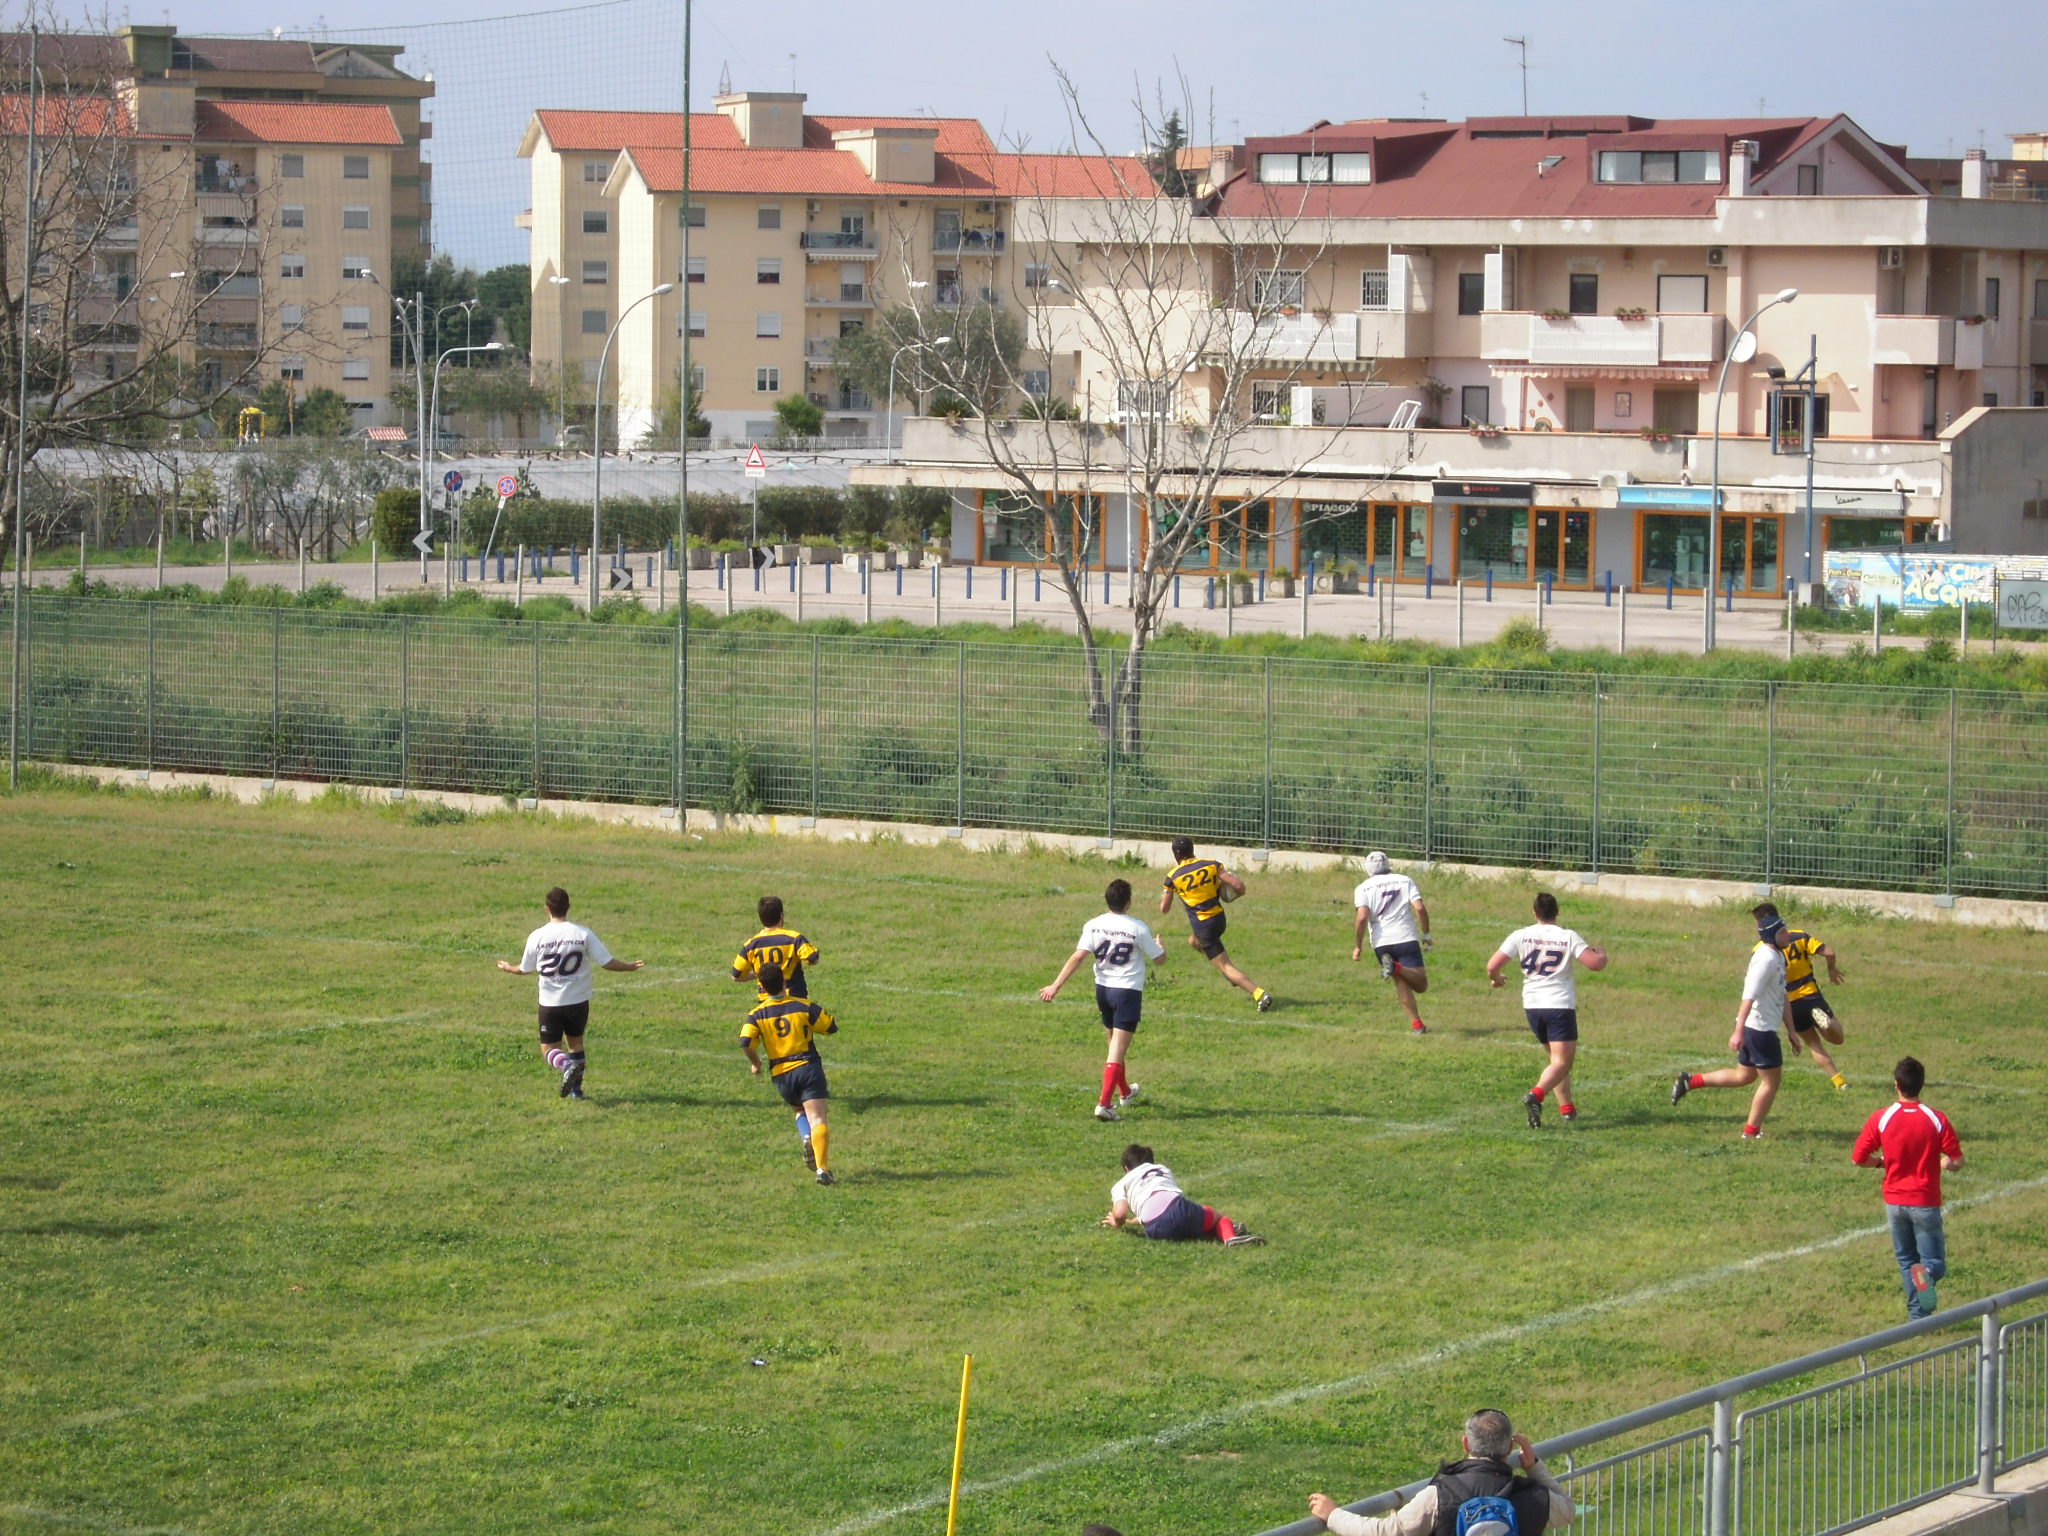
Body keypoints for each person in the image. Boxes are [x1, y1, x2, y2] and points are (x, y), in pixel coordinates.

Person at [1307, 1407, 1575, 1534]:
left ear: (1466, 1443)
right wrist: (1535, 1468)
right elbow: (1567, 1511)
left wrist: (1333, 1515)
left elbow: (1384, 1533)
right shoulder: (1534, 1498)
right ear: (1509, 1449)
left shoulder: (1439, 1496)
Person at [495, 886, 644, 1100]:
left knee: (548, 1049)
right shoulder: (582, 933)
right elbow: (606, 962)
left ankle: (565, 1066)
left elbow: (525, 969)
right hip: (578, 1001)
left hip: (550, 1003)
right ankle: (577, 1090)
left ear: (547, 909)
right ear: (568, 907)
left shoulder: (537, 936)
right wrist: (628, 966)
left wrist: (508, 967)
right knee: (576, 1044)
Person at [1041, 878, 1167, 1122]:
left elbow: (1078, 956)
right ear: (1128, 902)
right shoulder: (1137, 928)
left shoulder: (1094, 925)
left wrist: (1055, 985)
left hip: (1103, 991)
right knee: (1117, 1050)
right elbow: (1159, 960)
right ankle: (1104, 1105)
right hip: (1127, 992)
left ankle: (1126, 1092)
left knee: (1114, 1047)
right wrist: (1159, 946)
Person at [1853, 1056, 1964, 1319]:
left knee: (1907, 1261)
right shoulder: (1935, 1119)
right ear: (1921, 1085)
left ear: (1896, 1085)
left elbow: (1859, 1157)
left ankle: (1917, 1319)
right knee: (1933, 1262)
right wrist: (1945, 1164)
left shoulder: (1883, 1117)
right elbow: (1957, 1160)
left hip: (1894, 1201)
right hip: (1925, 1200)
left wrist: (1881, 1163)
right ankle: (1925, 1280)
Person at [1485, 892, 1608, 1127]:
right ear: (1557, 912)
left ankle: (1567, 1108)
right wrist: (1601, 954)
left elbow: (1492, 965)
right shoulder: (1567, 936)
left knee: (1555, 1061)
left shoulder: (1520, 935)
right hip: (1558, 1005)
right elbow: (1595, 965)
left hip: (1532, 1006)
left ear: (1534, 913)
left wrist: (1496, 978)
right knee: (1562, 1063)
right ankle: (1536, 1095)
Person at [1670, 906, 1790, 1140]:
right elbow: (1748, 997)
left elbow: (1782, 995)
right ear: (1773, 935)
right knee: (1771, 1083)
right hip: (1759, 1030)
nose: (1789, 935)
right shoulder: (1764, 960)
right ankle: (1751, 1131)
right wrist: (1738, 1031)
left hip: (1759, 1028)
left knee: (1743, 1076)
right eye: (1784, 932)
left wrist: (1792, 1031)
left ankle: (1689, 1082)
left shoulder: (1778, 955)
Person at [741, 961, 840, 1185]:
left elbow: (746, 1041)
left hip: (782, 1076)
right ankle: (822, 1169)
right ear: (785, 981)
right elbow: (830, 1026)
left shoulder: (756, 1014)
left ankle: (806, 1135)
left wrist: (756, 1062)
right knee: (819, 1117)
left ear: (762, 987)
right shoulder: (803, 1005)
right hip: (807, 1067)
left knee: (799, 1109)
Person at [1159, 835, 1272, 1012]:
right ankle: (1231, 975)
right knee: (1194, 942)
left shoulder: (1173, 876)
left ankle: (1259, 994)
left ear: (1176, 855)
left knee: (1226, 966)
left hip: (1204, 926)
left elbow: (1164, 909)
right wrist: (1234, 893)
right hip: (1219, 919)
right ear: (1192, 850)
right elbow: (1238, 886)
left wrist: (1169, 891)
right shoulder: (1212, 864)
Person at [1753, 901, 1850, 1091]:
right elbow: (1829, 952)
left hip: (1790, 1002)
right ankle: (1827, 1023)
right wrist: (1832, 969)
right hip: (1811, 994)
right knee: (1838, 1038)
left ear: (1760, 925)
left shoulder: (1761, 949)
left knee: (1814, 1044)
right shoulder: (1798, 935)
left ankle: (1838, 1080)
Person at [1102, 1143, 1263, 1246]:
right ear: (1152, 1162)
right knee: (1216, 1217)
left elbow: (1121, 1212)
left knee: (1176, 1224)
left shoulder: (1121, 1183)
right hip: (1180, 1210)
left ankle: (1225, 1234)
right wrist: (1130, 1221)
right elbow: (1163, 1201)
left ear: (1126, 1168)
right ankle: (1230, 1237)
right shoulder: (1162, 1169)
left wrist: (1118, 1222)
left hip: (1156, 1228)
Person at [1352, 850, 1432, 1035]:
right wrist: (1426, 934)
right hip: (1405, 937)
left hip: (1381, 943)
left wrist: (1358, 946)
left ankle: (1417, 1026)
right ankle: (1395, 967)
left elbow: (1362, 917)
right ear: (1388, 864)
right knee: (1421, 985)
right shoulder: (1405, 880)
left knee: (1400, 981)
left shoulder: (1362, 888)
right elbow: (1419, 908)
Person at [731, 895, 820, 1001]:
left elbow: (736, 975)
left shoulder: (751, 945)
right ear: (781, 916)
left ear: (761, 918)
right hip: (794, 1000)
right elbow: (812, 958)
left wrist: (760, 974)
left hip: (767, 1003)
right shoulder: (793, 938)